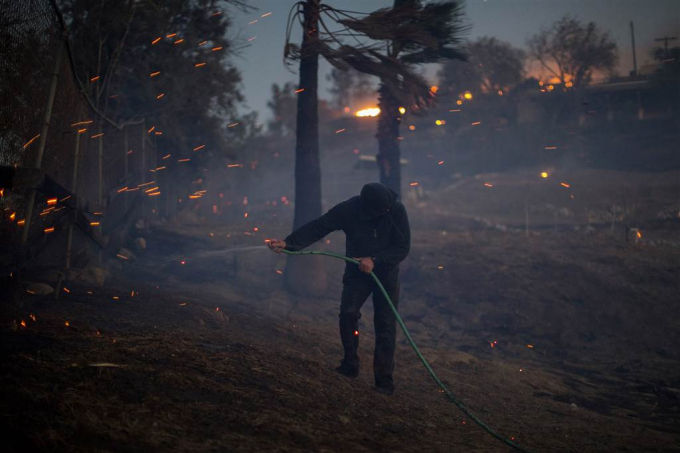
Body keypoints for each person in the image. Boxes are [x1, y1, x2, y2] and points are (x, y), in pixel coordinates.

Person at [268, 182, 410, 395]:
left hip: (386, 274)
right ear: (367, 207)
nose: (386, 211)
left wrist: (375, 260)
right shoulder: (348, 210)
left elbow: (402, 247)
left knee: (386, 326)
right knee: (348, 313)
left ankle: (384, 381)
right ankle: (350, 364)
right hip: (356, 272)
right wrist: (289, 244)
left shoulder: (396, 209)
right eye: (382, 210)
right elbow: (319, 226)